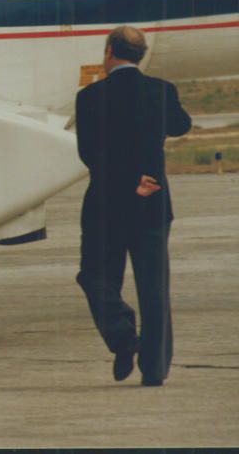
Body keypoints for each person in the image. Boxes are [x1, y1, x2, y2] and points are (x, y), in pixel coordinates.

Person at [75, 25, 191, 387]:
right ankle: (154, 370)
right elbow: (181, 125)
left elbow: (89, 154)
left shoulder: (90, 97)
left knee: (95, 277)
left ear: (110, 51)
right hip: (152, 203)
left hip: (106, 206)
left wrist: (125, 182)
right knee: (153, 288)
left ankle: (124, 337)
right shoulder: (160, 91)